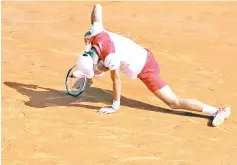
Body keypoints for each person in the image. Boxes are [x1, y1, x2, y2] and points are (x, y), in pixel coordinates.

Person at [76, 4, 231, 127]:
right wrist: (90, 36)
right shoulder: (96, 32)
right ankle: (93, 71)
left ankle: (217, 111)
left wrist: (115, 106)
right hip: (141, 53)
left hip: (146, 68)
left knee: (173, 102)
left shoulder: (111, 57)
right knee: (104, 65)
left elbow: (116, 81)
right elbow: (97, 6)